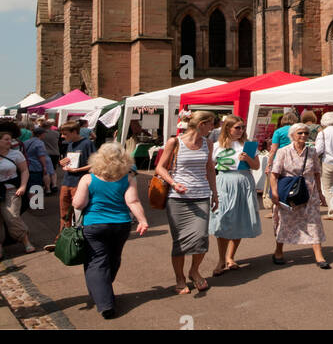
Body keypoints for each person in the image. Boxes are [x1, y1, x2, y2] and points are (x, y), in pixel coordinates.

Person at [72, 141, 148, 319]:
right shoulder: (128, 178)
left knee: (96, 262)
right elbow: (133, 202)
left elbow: (78, 203)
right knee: (113, 258)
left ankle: (104, 302)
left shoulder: (88, 179)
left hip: (94, 225)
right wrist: (142, 220)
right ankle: (102, 290)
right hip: (120, 225)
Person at [156, 110, 218, 295]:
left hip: (201, 196)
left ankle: (194, 270)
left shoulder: (207, 143)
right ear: (201, 125)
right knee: (180, 241)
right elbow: (160, 167)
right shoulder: (174, 142)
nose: (213, 127)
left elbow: (209, 169)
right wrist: (174, 183)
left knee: (201, 238)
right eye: (211, 124)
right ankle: (179, 278)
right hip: (178, 199)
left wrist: (215, 194)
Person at [270, 122, 329, 268]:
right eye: (300, 133)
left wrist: (320, 194)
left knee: (313, 222)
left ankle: (319, 255)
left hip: (309, 192)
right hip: (289, 192)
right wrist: (275, 192)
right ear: (292, 135)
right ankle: (278, 251)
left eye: (306, 133)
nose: (303, 136)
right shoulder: (283, 151)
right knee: (285, 221)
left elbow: (316, 173)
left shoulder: (312, 152)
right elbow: (274, 174)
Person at [210, 114, 262, 273]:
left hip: (244, 181)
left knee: (239, 219)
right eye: (237, 127)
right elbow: (211, 167)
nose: (241, 130)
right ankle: (220, 259)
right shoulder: (216, 145)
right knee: (223, 220)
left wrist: (247, 158)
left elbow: (256, 166)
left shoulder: (248, 145)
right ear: (228, 128)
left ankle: (230, 257)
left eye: (242, 127)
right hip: (224, 182)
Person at [0, 125, 35, 258]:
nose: (11, 142)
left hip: (11, 190)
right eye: (6, 139)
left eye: (10, 139)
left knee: (12, 216)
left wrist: (23, 186)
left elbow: (24, 170)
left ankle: (25, 240)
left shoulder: (16, 154)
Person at [56, 121, 95, 235]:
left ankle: (80, 238)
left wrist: (77, 170)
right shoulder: (70, 144)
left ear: (74, 132)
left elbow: (95, 163)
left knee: (80, 213)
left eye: (65, 134)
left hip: (80, 183)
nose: (63, 136)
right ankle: (63, 239)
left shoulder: (87, 143)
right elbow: (69, 161)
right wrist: (63, 163)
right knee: (64, 213)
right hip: (67, 181)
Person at [263, 109, 297, 207]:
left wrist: (268, 164)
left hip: (279, 159)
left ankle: (277, 205)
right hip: (294, 159)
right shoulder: (296, 130)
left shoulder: (278, 131)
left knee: (277, 182)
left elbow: (273, 149)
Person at [39, 121, 61, 193]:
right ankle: (53, 185)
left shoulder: (41, 134)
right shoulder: (56, 133)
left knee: (46, 171)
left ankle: (47, 187)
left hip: (45, 153)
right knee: (53, 170)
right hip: (55, 153)